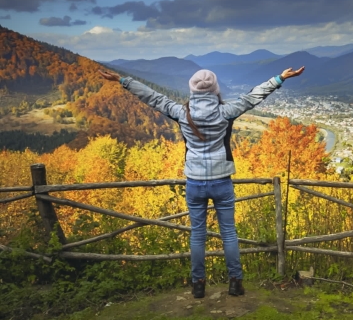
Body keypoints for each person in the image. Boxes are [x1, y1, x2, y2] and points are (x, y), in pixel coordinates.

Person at [99, 66, 305, 298]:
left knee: (197, 234)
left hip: (195, 182)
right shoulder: (226, 112)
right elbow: (254, 96)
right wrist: (280, 78)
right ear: (215, 89)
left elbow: (152, 96)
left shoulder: (180, 112)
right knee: (228, 233)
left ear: (192, 89)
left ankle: (198, 285)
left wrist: (122, 80)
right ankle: (235, 283)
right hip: (221, 181)